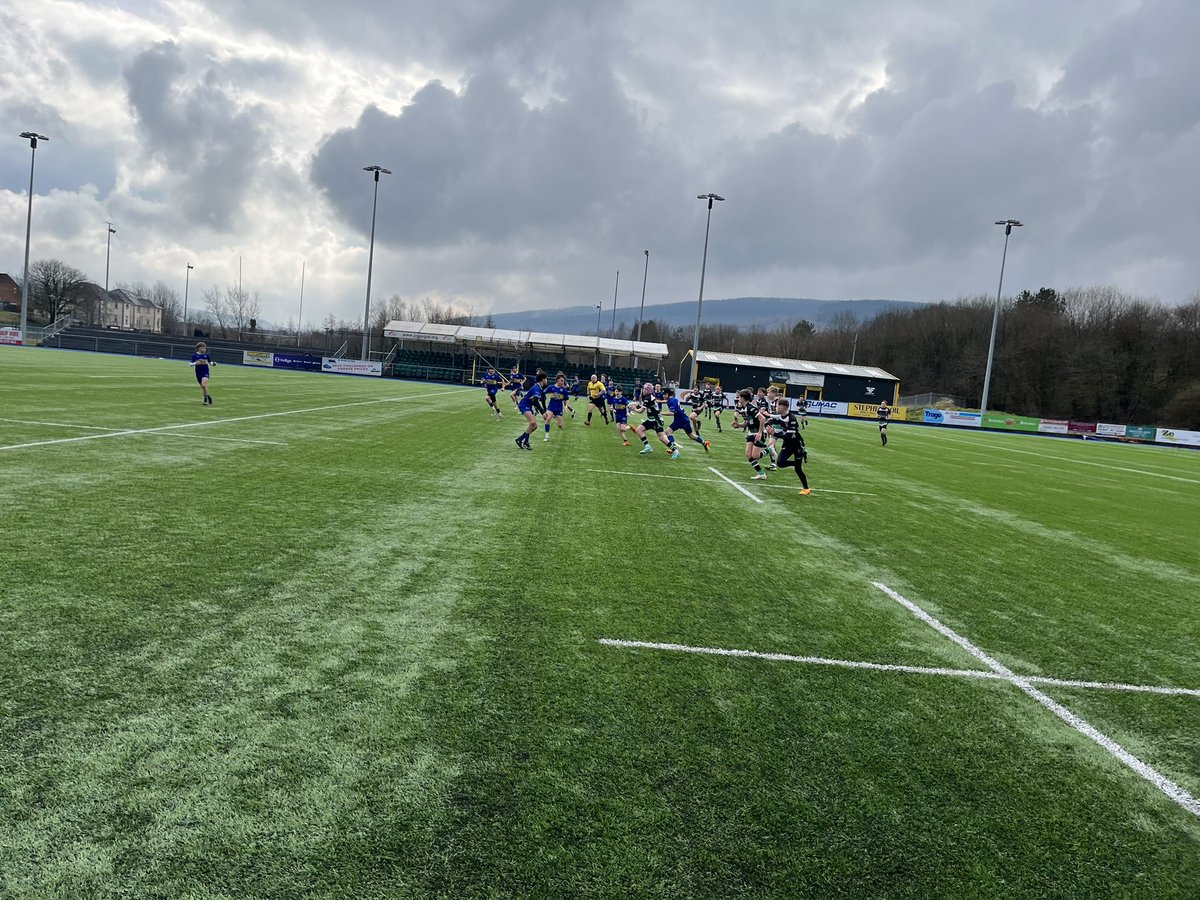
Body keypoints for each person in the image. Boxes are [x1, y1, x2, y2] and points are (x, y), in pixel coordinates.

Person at [771, 398, 811, 494]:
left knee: (798, 470)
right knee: (780, 463)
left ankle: (806, 488)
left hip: (797, 445)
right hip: (787, 444)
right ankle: (796, 463)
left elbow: (789, 436)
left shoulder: (792, 418)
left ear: (783, 407)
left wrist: (775, 433)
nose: (775, 407)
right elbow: (770, 421)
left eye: (777, 406)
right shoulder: (779, 416)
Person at [630, 383, 674, 455]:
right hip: (653, 420)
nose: (644, 390)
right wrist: (638, 406)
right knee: (639, 430)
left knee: (662, 438)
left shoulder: (648, 397)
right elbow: (646, 406)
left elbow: (641, 411)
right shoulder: (648, 397)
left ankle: (675, 450)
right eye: (644, 388)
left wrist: (633, 408)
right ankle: (648, 447)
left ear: (649, 390)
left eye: (645, 389)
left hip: (656, 420)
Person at [734, 388, 768, 479]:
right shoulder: (744, 409)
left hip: (758, 433)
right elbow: (747, 423)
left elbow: (762, 419)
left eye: (740, 397)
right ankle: (761, 474)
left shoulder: (751, 408)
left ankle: (770, 450)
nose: (738, 399)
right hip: (751, 433)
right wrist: (738, 425)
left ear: (743, 399)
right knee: (748, 454)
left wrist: (760, 432)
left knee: (755, 456)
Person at [666, 388, 710, 454]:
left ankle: (704, 443)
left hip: (682, 420)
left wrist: (660, 413)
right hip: (680, 419)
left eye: (664, 394)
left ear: (668, 394)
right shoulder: (673, 400)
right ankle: (673, 449)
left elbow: (673, 413)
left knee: (691, 436)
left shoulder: (671, 401)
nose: (663, 396)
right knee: (668, 432)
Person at [515, 371, 549, 450]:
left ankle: (520, 440)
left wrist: (544, 411)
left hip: (529, 406)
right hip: (524, 405)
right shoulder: (537, 388)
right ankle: (525, 442)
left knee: (535, 426)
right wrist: (542, 412)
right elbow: (535, 401)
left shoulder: (540, 388)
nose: (547, 380)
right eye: (546, 379)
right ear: (543, 379)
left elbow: (542, 400)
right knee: (532, 423)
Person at [542, 373, 572, 441]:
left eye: (563, 381)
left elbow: (567, 399)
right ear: (557, 380)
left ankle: (559, 424)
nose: (563, 382)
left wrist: (566, 406)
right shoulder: (551, 387)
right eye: (561, 380)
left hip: (559, 408)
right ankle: (547, 436)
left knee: (560, 425)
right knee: (548, 419)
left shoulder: (563, 390)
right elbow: (543, 392)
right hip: (551, 407)